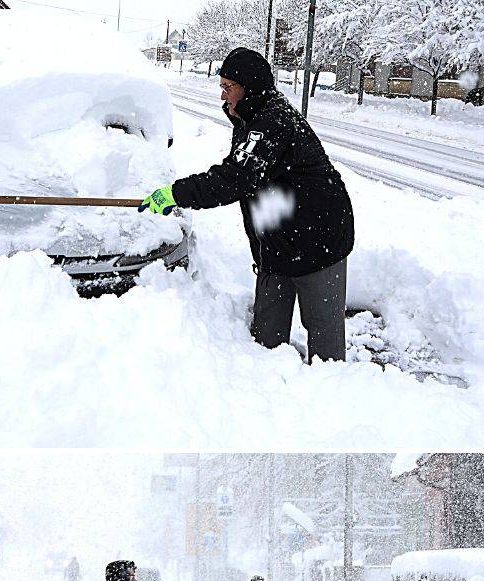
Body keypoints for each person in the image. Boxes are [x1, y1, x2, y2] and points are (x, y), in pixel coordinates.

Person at [139, 46, 355, 363]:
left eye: (228, 88)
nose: (222, 96)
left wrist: (178, 193)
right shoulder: (249, 118)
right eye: (221, 87)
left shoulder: (273, 122)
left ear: (249, 86)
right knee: (265, 341)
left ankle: (329, 401)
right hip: (278, 244)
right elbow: (251, 182)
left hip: (319, 240)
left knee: (326, 349)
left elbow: (235, 179)